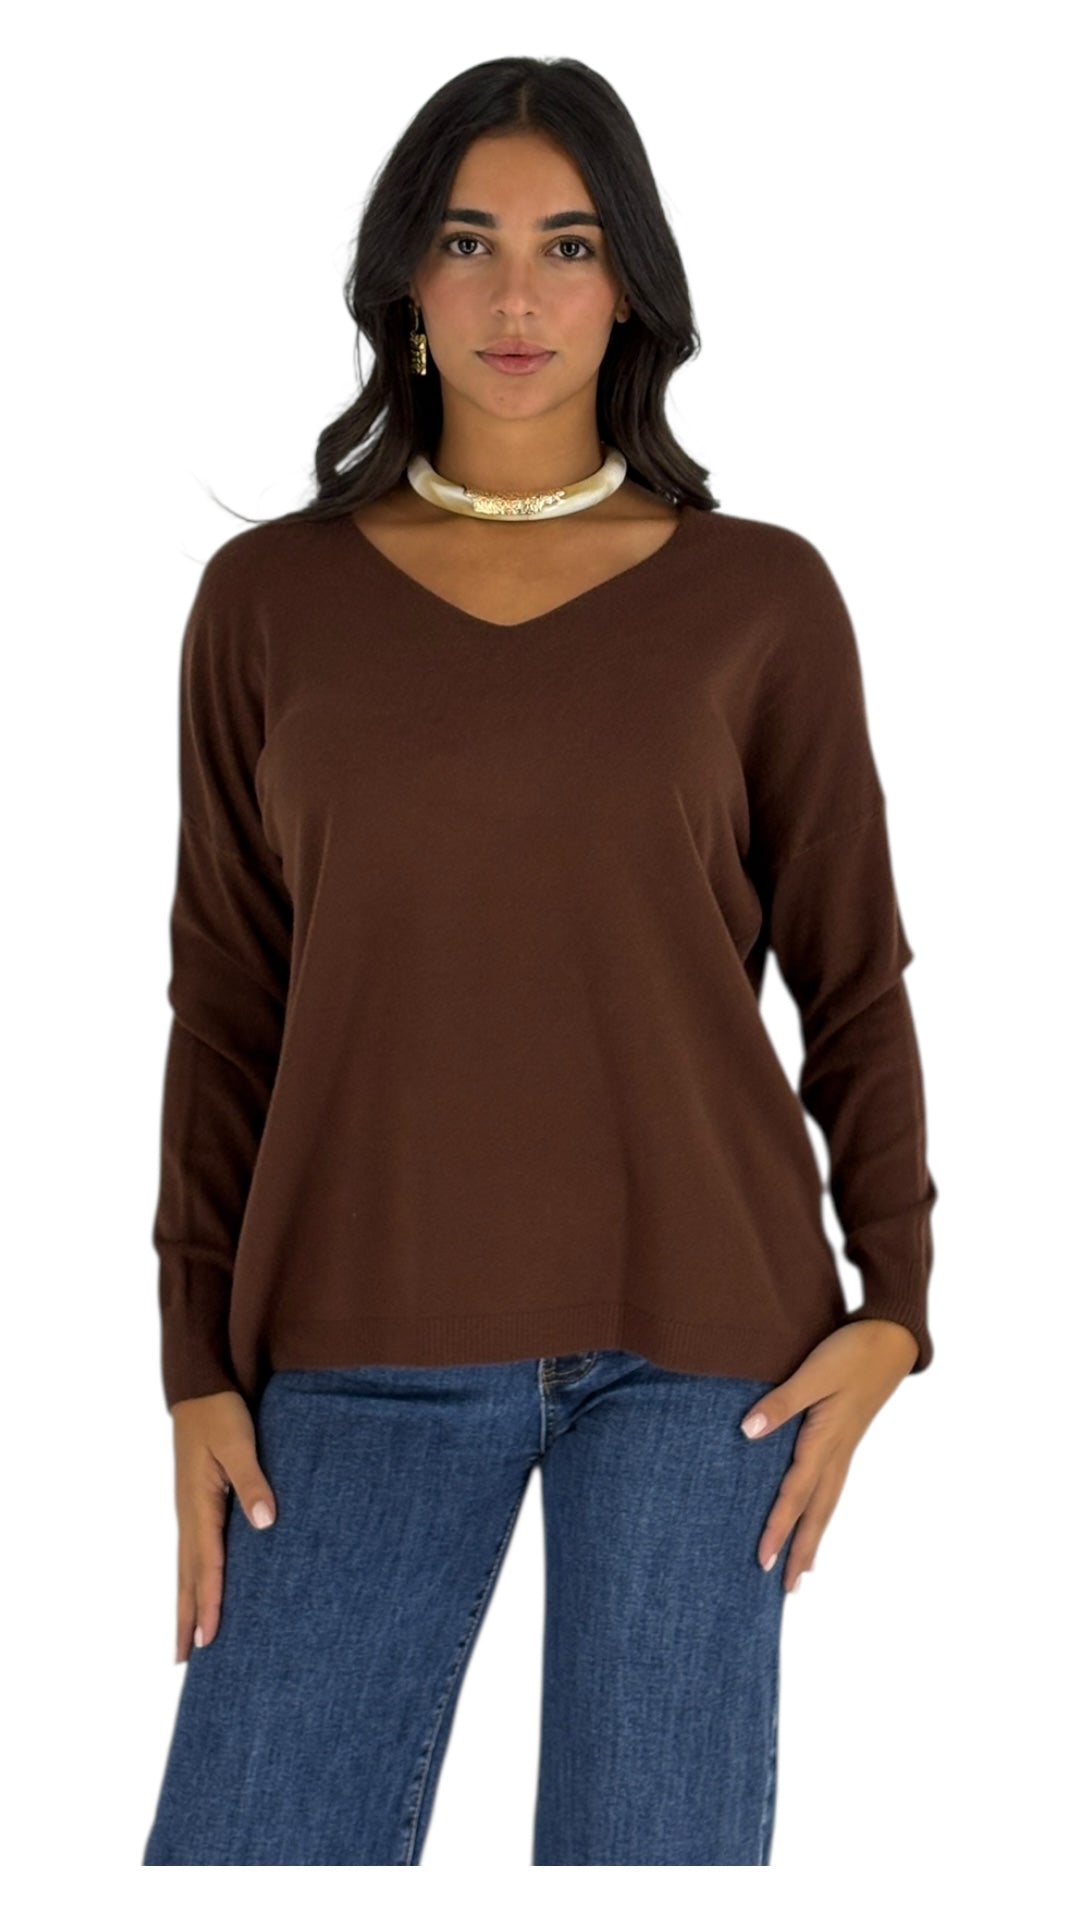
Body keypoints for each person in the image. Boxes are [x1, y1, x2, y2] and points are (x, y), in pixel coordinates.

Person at [142, 55, 938, 1867]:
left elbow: (855, 977)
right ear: (403, 285)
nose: (518, 296)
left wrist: (893, 1302)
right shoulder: (270, 603)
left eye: (570, 246)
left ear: (631, 285)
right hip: (351, 1336)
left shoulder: (759, 598)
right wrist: (193, 1363)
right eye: (468, 242)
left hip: (704, 1350)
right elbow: (227, 1003)